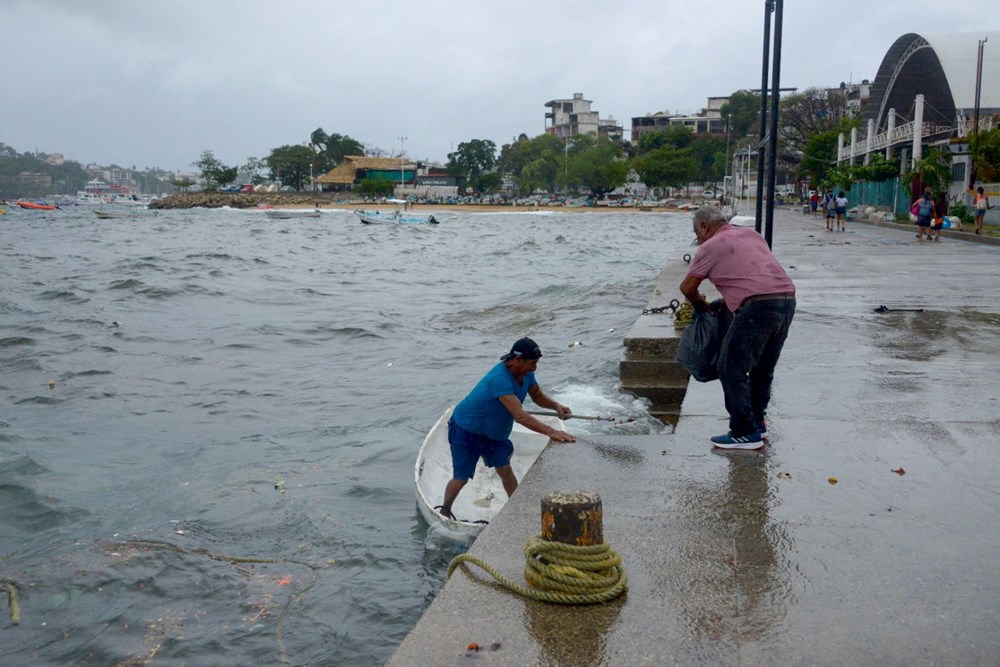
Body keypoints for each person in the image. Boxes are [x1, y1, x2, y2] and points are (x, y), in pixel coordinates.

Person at [679, 206, 796, 450]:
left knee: (730, 367)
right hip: (786, 300)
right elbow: (753, 273)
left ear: (704, 227)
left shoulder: (709, 246)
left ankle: (743, 432)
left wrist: (702, 306)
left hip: (757, 308)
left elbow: (688, 288)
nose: (698, 240)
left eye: (697, 234)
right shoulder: (752, 235)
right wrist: (728, 298)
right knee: (763, 368)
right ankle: (757, 422)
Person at [439, 337, 576, 520]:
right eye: (532, 363)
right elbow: (519, 415)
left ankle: (518, 508)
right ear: (518, 360)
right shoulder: (499, 379)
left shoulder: (526, 374)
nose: (534, 368)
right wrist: (551, 431)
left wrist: (555, 406)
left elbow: (536, 395)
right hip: (466, 431)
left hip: (494, 434)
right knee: (461, 477)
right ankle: (445, 510)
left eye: (536, 363)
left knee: (505, 469)